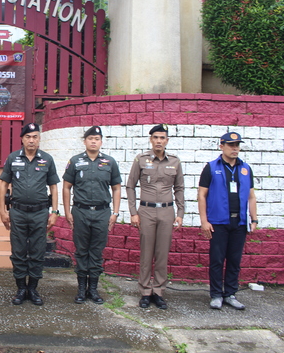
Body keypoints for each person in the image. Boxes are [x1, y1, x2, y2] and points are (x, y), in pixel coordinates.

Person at [0, 123, 60, 306]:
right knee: (18, 251)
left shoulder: (47, 159)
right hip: (17, 212)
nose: (31, 140)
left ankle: (32, 289)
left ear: (39, 139)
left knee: (37, 251)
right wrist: (2, 210)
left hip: (39, 213)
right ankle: (20, 289)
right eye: (28, 137)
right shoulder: (13, 158)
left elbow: (53, 187)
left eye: (34, 137)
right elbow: (4, 185)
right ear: (22, 139)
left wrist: (55, 212)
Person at [126, 124, 184, 310]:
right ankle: (145, 291)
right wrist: (133, 212)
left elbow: (179, 188)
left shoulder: (175, 161)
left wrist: (180, 213)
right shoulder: (141, 159)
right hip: (146, 211)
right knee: (146, 253)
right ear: (151, 139)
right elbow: (130, 186)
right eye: (156, 137)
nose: (159, 141)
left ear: (167, 140)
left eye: (162, 138)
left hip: (167, 212)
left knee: (162, 254)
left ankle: (158, 291)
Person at [198, 132, 257, 310]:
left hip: (239, 222)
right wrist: (204, 221)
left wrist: (254, 218)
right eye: (231, 145)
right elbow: (202, 195)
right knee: (217, 260)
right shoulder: (211, 167)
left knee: (234, 260)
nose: (235, 148)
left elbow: (251, 196)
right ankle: (216, 294)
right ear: (221, 146)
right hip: (218, 222)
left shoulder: (245, 169)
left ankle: (230, 294)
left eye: (237, 145)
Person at [62, 126, 121, 304]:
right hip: (80, 212)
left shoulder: (110, 162)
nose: (93, 141)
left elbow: (116, 188)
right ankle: (81, 289)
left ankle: (93, 289)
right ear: (85, 141)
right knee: (81, 251)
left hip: (102, 213)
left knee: (96, 251)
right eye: (90, 138)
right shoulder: (75, 161)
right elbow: (66, 187)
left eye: (97, 139)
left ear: (101, 142)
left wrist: (115, 213)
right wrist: (67, 211)